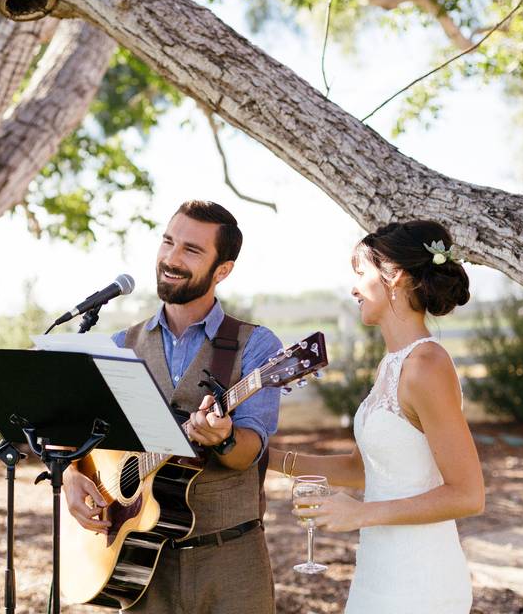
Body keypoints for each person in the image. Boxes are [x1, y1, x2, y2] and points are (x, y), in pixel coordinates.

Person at [62, 200, 282, 614]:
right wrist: (73, 478)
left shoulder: (257, 346)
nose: (171, 258)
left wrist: (225, 437)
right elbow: (82, 436)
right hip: (138, 562)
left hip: (230, 560)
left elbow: (251, 448)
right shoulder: (119, 347)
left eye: (191, 250)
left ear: (223, 270)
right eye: (168, 242)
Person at [270, 220, 484, 613]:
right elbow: (363, 469)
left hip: (420, 580)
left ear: (396, 278)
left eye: (361, 273)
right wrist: (268, 460)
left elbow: (468, 494)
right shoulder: (393, 365)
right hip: (380, 570)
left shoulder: (427, 364)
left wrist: (361, 513)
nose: (353, 287)